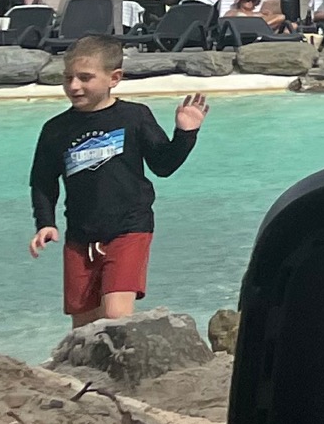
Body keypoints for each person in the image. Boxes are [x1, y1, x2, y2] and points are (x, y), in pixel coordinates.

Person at [26, 39, 206, 326]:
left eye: (85, 78)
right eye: (67, 78)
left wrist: (185, 133)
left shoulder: (134, 116)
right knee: (83, 324)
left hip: (129, 227)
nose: (74, 86)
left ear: (115, 78)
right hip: (79, 234)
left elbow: (163, 165)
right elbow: (42, 182)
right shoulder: (55, 129)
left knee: (115, 315)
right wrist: (45, 223)